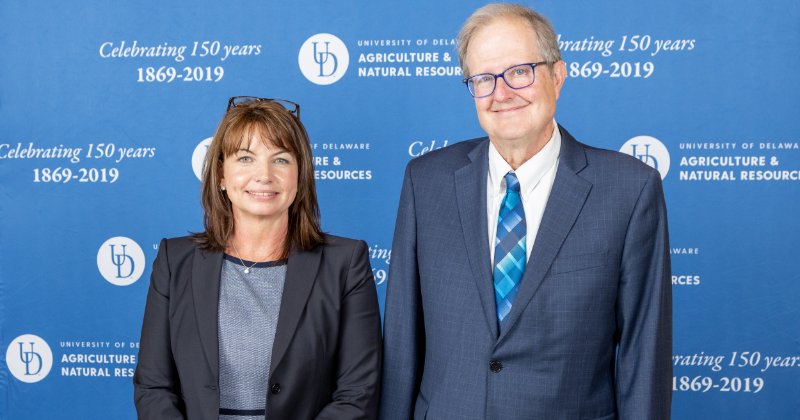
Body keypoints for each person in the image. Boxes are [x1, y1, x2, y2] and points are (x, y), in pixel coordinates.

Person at [380, 4, 671, 419]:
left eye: (519, 71)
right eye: (483, 79)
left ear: (557, 75)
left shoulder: (629, 188)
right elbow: (402, 343)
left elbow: (645, 356)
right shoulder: (426, 181)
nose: (502, 93)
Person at [134, 97, 382, 420]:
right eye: (246, 158)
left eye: (280, 160)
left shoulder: (346, 264)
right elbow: (153, 387)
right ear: (221, 175)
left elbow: (358, 394)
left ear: (300, 176)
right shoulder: (174, 260)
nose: (263, 175)